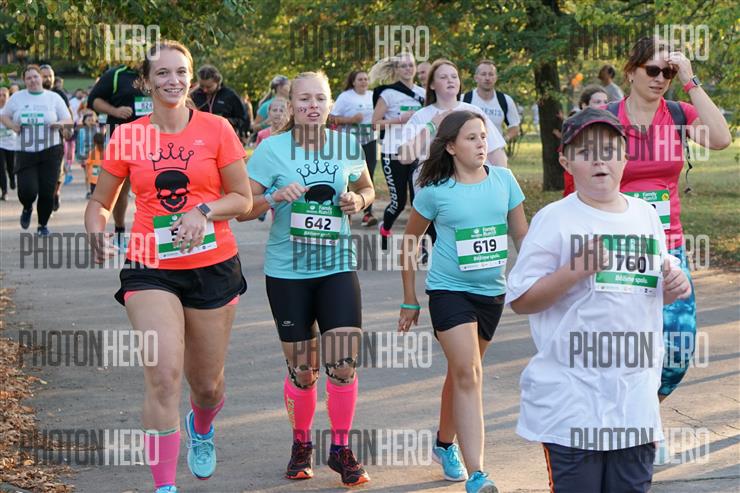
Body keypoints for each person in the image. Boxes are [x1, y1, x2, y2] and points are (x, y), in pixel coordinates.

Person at [85, 40, 252, 493]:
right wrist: (96, 228)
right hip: (149, 265)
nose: (172, 80)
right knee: (162, 374)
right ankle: (164, 486)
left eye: (180, 72)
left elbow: (242, 198)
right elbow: (101, 201)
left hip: (213, 265)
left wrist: (204, 212)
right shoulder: (128, 136)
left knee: (207, 386)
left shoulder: (217, 129)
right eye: (161, 73)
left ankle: (202, 425)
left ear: (191, 78)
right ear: (145, 81)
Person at [506, 107, 692, 492]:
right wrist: (575, 269)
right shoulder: (555, 219)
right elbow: (521, 300)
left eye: (609, 151)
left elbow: (653, 285)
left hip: (634, 400)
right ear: (566, 162)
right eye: (586, 152)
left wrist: (674, 286)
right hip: (572, 400)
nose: (599, 160)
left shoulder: (645, 216)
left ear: (625, 157)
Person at [240, 71, 374, 487]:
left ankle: (341, 448)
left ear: (330, 104)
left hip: (337, 267)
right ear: (291, 104)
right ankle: (301, 443)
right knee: (304, 370)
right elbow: (243, 207)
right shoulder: (271, 149)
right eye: (304, 99)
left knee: (343, 364)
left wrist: (358, 200)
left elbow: (368, 189)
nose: (312, 106)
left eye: (320, 98)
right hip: (288, 273)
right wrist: (272, 197)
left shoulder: (346, 145)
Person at [611, 36, 731, 464]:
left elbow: (721, 139)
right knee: (625, 346)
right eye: (652, 70)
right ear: (631, 71)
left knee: (678, 347)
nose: (661, 78)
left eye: (668, 72)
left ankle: (644, 412)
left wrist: (691, 81)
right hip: (617, 250)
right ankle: (637, 426)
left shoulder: (678, 114)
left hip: (669, 246)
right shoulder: (607, 119)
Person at [399, 111, 527, 493]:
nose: (481, 144)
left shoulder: (504, 181)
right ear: (452, 147)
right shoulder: (435, 191)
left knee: (461, 373)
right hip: (449, 290)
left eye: (483, 136)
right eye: (471, 138)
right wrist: (409, 298)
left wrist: (535, 281)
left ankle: (443, 444)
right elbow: (410, 241)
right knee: (469, 374)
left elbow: (523, 236)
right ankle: (478, 474)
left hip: (491, 295)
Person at [0, 65, 72, 235]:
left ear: (41, 78)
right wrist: (13, 126)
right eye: (28, 78)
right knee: (27, 190)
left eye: (35, 77)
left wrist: (59, 124)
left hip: (50, 149)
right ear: (24, 81)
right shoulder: (17, 98)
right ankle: (27, 207)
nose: (33, 80)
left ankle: (42, 225)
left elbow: (68, 119)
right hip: (25, 150)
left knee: (47, 191)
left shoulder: (53, 98)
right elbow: (4, 116)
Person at [87, 61, 150, 242]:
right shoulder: (117, 74)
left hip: (155, 138)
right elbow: (94, 100)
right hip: (123, 139)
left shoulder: (159, 73)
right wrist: (114, 110)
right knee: (121, 189)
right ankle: (120, 228)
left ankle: (156, 230)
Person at [370, 52, 425, 248]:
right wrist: (400, 119)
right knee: (399, 203)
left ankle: (420, 245)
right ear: (397, 69)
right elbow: (375, 123)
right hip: (393, 152)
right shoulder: (388, 94)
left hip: (418, 153)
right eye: (403, 66)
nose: (408, 69)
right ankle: (385, 228)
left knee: (420, 201)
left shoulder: (423, 93)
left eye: (411, 65)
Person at [329, 69, 378, 226]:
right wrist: (351, 120)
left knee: (369, 176)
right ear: (353, 82)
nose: (364, 82)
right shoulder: (345, 97)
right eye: (360, 79)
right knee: (348, 175)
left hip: (369, 140)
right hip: (349, 142)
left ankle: (367, 214)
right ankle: (347, 212)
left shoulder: (373, 95)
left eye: (366, 79)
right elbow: (331, 118)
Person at [563, 85, 610, 196]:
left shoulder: (612, 127)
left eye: (605, 102)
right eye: (597, 102)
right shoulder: (574, 126)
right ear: (584, 105)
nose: (603, 105)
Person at [39, 64, 73, 211]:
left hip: (56, 140)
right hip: (36, 141)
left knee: (57, 172)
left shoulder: (59, 94)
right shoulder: (32, 94)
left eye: (50, 76)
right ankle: (46, 196)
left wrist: (68, 130)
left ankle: (55, 193)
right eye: (45, 76)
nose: (48, 79)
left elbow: (68, 113)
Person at [461, 61, 521, 142]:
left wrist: (503, 140)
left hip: (497, 149)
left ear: (496, 78)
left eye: (491, 74)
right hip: (469, 149)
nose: (487, 78)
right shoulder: (464, 99)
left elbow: (514, 127)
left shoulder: (505, 100)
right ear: (476, 78)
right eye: (483, 74)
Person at [190, 64, 249, 135]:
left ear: (218, 82)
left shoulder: (230, 95)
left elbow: (243, 119)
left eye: (209, 87)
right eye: (202, 86)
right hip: (199, 135)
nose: (205, 90)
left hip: (224, 135)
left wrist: (225, 121)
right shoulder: (195, 95)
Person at [0, 86, 18, 200]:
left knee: (11, 167)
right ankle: (4, 191)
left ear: (8, 97)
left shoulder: (12, 110)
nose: (2, 98)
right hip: (0, 144)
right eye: (0, 95)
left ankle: (12, 178)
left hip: (12, 143)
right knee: (1, 168)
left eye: (4, 95)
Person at [84, 132, 105, 197]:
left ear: (94, 142)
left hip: (94, 180)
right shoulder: (106, 152)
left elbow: (87, 164)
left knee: (95, 197)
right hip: (103, 180)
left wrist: (87, 175)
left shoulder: (93, 153)